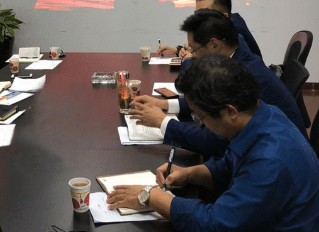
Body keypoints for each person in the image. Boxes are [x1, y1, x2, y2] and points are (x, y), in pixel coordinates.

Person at [106, 55, 319, 231]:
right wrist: (190, 174)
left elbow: (215, 224)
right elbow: (230, 166)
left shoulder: (269, 161)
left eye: (201, 118)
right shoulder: (265, 115)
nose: (200, 123)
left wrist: (151, 196)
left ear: (230, 112)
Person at [130, 10, 306, 157]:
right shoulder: (236, 56)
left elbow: (213, 142)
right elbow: (211, 105)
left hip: (281, 157)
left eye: (194, 50)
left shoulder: (241, 75)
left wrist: (163, 122)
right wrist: (163, 104)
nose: (193, 56)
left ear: (214, 45)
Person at [157, 0, 262, 59]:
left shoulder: (235, 32)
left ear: (224, 17)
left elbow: (216, 71)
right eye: (197, 15)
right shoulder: (229, 23)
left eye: (205, 15)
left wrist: (189, 60)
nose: (198, 20)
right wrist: (178, 50)